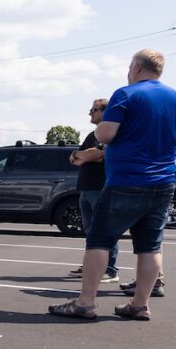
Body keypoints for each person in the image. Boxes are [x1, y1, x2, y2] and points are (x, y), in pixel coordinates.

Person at [49, 49, 176, 320]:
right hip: (163, 182)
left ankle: (85, 302)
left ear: (136, 67)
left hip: (126, 180)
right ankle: (140, 305)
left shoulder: (126, 94)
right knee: (149, 246)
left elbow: (106, 133)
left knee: (99, 240)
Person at [68, 98, 119, 283]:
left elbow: (97, 154)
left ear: (106, 112)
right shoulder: (92, 135)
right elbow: (74, 158)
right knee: (91, 231)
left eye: (94, 109)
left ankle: (111, 270)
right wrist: (84, 155)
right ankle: (91, 265)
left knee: (105, 230)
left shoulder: (110, 134)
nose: (90, 113)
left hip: (101, 189)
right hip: (86, 189)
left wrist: (84, 155)